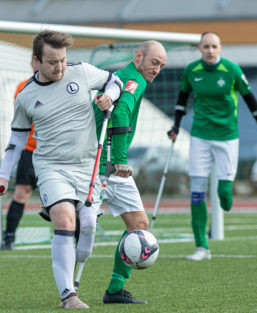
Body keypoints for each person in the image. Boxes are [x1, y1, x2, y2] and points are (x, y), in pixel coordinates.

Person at [0, 30, 123, 309]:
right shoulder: (26, 96)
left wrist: (109, 97)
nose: (59, 67)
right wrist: (3, 174)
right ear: (36, 61)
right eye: (52, 62)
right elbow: (16, 139)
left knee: (87, 227)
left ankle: (73, 279)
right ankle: (68, 295)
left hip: (87, 165)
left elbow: (115, 81)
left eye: (62, 60)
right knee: (64, 220)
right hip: (51, 167)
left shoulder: (82, 72)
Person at [168, 31, 257, 261]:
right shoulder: (191, 71)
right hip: (200, 135)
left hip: (227, 136)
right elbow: (181, 100)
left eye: (214, 46)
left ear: (220, 48)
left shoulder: (232, 70)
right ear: (199, 48)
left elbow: (251, 101)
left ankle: (225, 198)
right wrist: (175, 126)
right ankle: (202, 247)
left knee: (224, 196)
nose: (210, 50)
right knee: (197, 190)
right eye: (205, 46)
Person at [93, 41, 167, 304]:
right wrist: (120, 160)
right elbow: (121, 111)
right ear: (138, 56)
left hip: (105, 163)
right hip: (105, 165)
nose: (157, 69)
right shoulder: (133, 78)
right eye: (154, 62)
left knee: (138, 225)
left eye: (162, 65)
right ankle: (71, 293)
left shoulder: (127, 77)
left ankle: (114, 290)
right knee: (79, 228)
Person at [1, 60, 39, 250]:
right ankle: (8, 237)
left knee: (66, 198)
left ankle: (78, 239)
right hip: (31, 150)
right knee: (21, 193)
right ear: (34, 62)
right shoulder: (23, 87)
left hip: (57, 152)